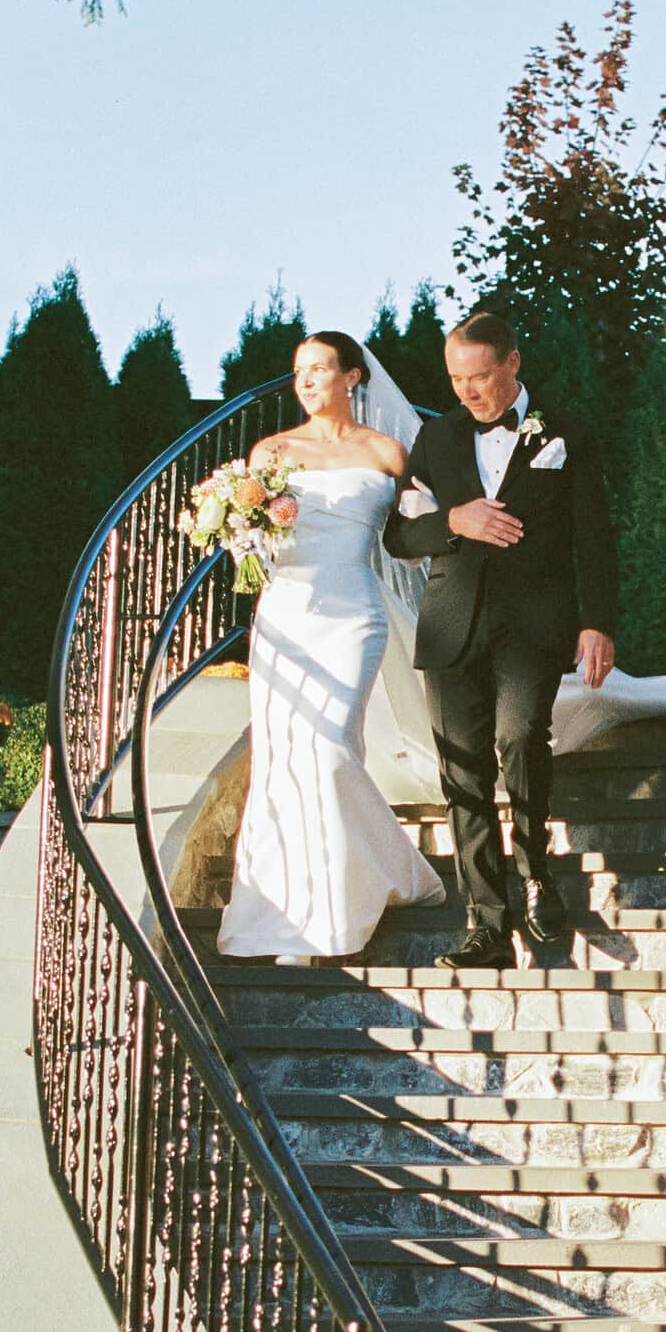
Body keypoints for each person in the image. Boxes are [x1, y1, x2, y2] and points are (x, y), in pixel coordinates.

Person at [383, 310, 618, 969]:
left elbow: (593, 534)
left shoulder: (565, 430)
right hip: (452, 623)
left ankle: (535, 865)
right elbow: (399, 535)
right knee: (462, 772)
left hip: (535, 620)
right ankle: (486, 926)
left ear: (512, 363)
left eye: (480, 376)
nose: (468, 391)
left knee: (518, 736)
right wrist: (453, 520)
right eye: (457, 378)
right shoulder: (436, 437)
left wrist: (596, 621)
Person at [215, 331, 445, 962]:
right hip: (286, 615)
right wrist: (238, 527)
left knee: (327, 748)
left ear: (354, 378)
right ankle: (289, 912)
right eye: (299, 372)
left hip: (354, 615)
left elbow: (416, 535)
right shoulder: (272, 452)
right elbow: (247, 532)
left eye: (320, 368)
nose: (307, 381)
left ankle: (344, 906)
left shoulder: (388, 452)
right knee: (282, 758)